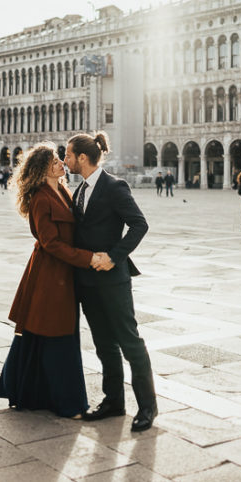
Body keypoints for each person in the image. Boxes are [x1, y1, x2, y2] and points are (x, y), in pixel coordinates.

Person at [0, 143, 107, 416]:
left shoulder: (63, 191)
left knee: (43, 333)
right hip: (49, 274)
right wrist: (88, 258)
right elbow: (50, 243)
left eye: (60, 159)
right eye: (56, 160)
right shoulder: (41, 198)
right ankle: (68, 403)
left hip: (62, 273)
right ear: (45, 167)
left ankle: (30, 391)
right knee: (56, 335)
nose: (61, 163)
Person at [64, 132, 156, 432]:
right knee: (104, 345)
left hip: (113, 280)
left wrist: (114, 257)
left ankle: (147, 407)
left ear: (82, 157)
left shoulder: (114, 186)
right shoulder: (78, 191)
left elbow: (139, 224)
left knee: (130, 343)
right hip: (88, 282)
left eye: (68, 155)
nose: (65, 161)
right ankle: (114, 401)